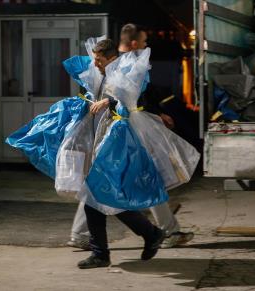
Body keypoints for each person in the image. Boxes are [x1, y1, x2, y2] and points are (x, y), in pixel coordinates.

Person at [67, 23, 194, 251]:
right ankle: (162, 231)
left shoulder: (113, 66)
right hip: (124, 131)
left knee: (127, 177)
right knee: (134, 177)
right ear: (134, 43)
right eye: (144, 42)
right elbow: (128, 99)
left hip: (121, 130)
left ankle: (83, 234)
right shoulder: (121, 66)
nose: (145, 46)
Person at [77, 39, 165, 269]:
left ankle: (147, 235)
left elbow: (130, 100)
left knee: (99, 196)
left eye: (99, 60)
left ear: (111, 59)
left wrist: (109, 101)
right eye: (94, 59)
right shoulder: (104, 76)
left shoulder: (127, 74)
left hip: (121, 143)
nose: (95, 64)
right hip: (108, 140)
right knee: (98, 198)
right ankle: (147, 235)